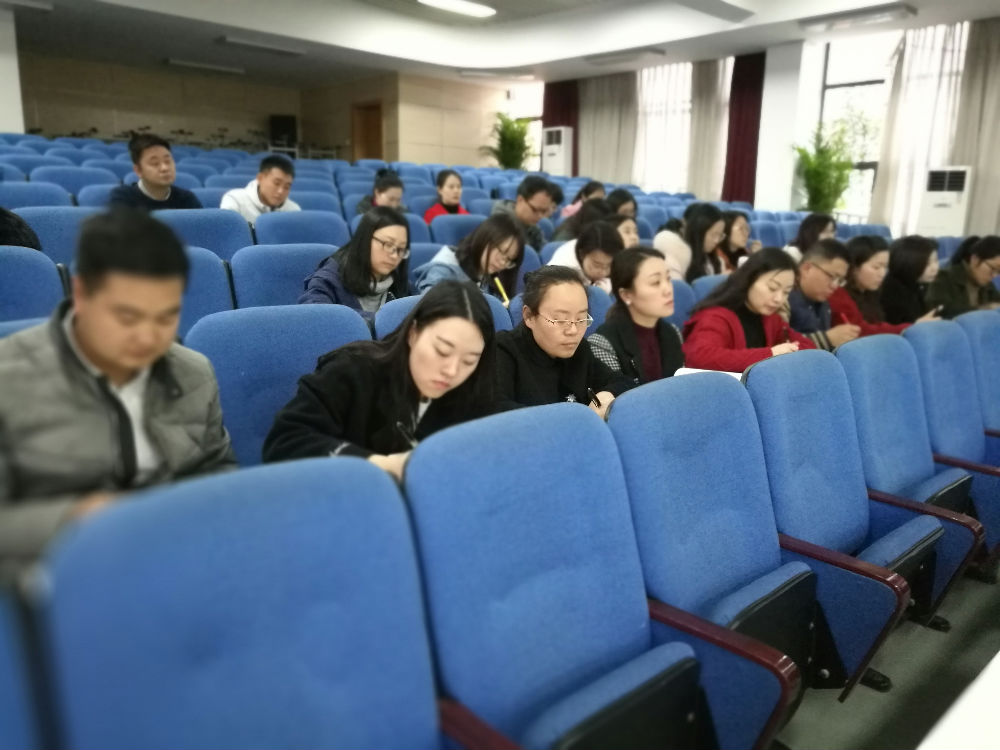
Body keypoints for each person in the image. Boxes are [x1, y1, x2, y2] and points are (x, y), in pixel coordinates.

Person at [0, 210, 236, 560]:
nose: (147, 338)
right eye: (127, 317)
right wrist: (71, 519)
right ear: (82, 295)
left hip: (177, 553)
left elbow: (219, 473)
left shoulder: (193, 372)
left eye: (166, 317)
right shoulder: (9, 377)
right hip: (54, 566)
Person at [264, 280, 495, 480]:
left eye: (469, 360)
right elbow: (285, 442)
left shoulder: (471, 390)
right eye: (442, 351)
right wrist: (378, 464)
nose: (452, 371)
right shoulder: (352, 370)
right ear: (413, 333)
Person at [495, 266, 631, 416]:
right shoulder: (502, 350)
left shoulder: (579, 349)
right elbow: (496, 411)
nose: (573, 331)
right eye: (560, 320)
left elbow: (623, 382)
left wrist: (607, 394)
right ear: (529, 316)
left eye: (581, 319)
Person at [682, 248, 814, 372]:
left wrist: (785, 352)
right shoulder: (715, 317)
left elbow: (808, 348)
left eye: (786, 292)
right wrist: (770, 354)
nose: (779, 299)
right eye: (772, 288)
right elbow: (699, 358)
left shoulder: (771, 318)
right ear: (749, 279)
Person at [588, 247, 683, 384]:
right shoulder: (604, 343)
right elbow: (617, 395)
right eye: (655, 282)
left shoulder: (672, 332)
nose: (668, 289)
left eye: (668, 279)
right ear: (626, 295)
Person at [299, 206, 410, 322]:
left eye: (401, 248)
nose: (395, 255)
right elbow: (314, 314)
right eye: (388, 244)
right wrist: (382, 321)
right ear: (365, 239)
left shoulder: (400, 282)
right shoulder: (331, 277)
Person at [830, 235, 938, 336]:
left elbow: (879, 325)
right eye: (876, 267)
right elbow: (860, 331)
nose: (882, 274)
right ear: (854, 267)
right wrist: (912, 327)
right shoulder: (838, 293)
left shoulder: (870, 292)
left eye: (885, 267)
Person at [413, 213, 524, 302]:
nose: (502, 263)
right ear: (484, 238)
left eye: (509, 259)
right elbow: (429, 309)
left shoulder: (489, 276)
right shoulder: (443, 270)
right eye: (501, 251)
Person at [786, 238, 861, 350]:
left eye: (840, 280)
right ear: (807, 268)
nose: (835, 286)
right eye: (832, 277)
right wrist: (827, 339)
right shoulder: (783, 297)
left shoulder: (823, 302)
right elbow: (778, 345)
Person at [108, 134, 202, 210]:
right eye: (155, 163)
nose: (164, 168)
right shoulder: (123, 198)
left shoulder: (187, 199)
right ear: (138, 170)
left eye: (168, 161)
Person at [925, 235, 1000, 318]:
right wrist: (982, 309)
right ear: (975, 259)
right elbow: (941, 311)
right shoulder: (943, 278)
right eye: (993, 268)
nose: (994, 275)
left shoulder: (987, 285)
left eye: (999, 272)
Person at [220, 155, 300, 227]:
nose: (280, 191)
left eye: (286, 187)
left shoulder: (293, 211)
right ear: (260, 178)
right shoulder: (235, 200)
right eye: (276, 183)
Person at [548, 219, 624, 294]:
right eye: (597, 265)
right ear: (582, 254)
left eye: (608, 266)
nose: (603, 272)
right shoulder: (564, 269)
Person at [881, 235, 941, 324]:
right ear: (909, 263)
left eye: (936, 261)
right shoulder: (891, 293)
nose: (935, 268)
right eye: (927, 264)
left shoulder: (919, 284)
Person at [492, 175, 561, 251]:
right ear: (520, 200)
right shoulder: (500, 224)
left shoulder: (532, 227)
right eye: (535, 210)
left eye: (543, 211)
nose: (540, 216)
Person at [683, 203, 726, 283]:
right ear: (699, 232)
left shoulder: (718, 261)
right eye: (713, 234)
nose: (716, 241)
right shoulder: (683, 258)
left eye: (720, 235)